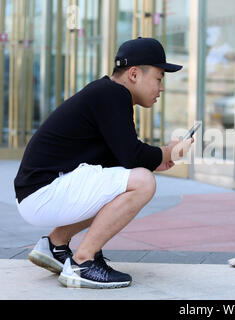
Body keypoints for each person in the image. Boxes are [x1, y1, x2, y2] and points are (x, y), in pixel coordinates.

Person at [13, 37, 193, 289]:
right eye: (159, 78)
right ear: (134, 74)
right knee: (143, 182)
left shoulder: (105, 92)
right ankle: (82, 262)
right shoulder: (113, 95)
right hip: (43, 192)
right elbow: (133, 156)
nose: (161, 88)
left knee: (131, 178)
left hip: (39, 191)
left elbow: (121, 159)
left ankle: (54, 246)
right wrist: (168, 152)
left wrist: (156, 159)